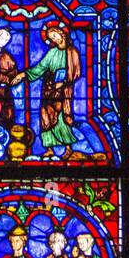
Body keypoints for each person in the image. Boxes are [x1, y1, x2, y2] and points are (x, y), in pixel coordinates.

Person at [16, 22, 81, 160]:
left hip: (63, 91)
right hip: (48, 88)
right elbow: (40, 67)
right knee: (45, 116)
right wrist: (23, 75)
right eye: (51, 37)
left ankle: (68, 148)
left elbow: (76, 72)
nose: (54, 39)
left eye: (55, 35)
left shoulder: (72, 52)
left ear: (62, 33)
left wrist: (63, 82)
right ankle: (49, 149)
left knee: (61, 117)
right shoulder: (52, 52)